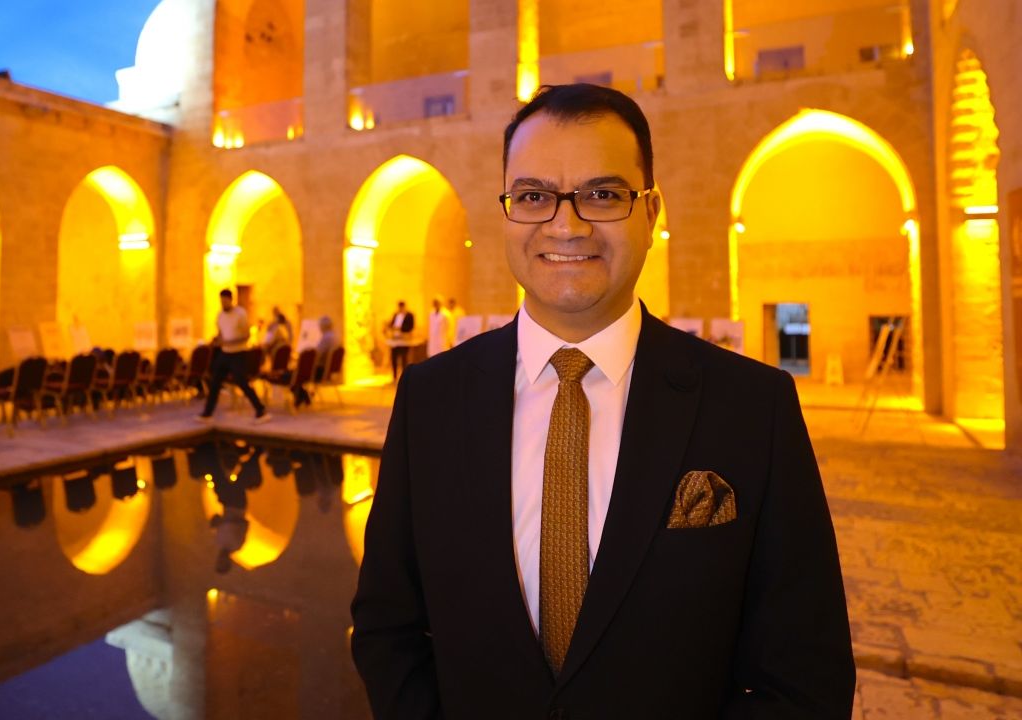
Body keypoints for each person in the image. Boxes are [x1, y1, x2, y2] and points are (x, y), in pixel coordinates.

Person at [351, 84, 854, 718]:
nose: (566, 225)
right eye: (533, 196)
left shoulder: (754, 408)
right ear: (506, 213)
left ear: (652, 212)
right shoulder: (430, 400)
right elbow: (387, 627)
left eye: (603, 195)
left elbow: (806, 676)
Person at [198, 289, 270, 423]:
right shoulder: (220, 315)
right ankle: (207, 413)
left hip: (238, 353)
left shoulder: (240, 314)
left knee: (241, 382)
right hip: (225, 353)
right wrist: (216, 340)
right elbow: (221, 333)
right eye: (221, 301)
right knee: (215, 381)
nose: (223, 304)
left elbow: (246, 336)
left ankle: (261, 410)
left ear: (231, 300)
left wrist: (229, 342)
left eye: (225, 301)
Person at [293, 315, 338, 407]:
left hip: (320, 370)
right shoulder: (335, 336)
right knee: (296, 373)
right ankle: (304, 397)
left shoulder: (326, 338)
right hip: (327, 370)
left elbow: (317, 354)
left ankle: (304, 397)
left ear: (323, 326)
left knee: (293, 375)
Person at [386, 301, 415, 381]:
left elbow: (411, 326)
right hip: (395, 339)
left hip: (404, 339)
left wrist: (400, 329)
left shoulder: (409, 315)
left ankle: (404, 377)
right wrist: (390, 327)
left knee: (404, 359)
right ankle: (394, 376)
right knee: (394, 358)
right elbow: (391, 324)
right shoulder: (395, 315)